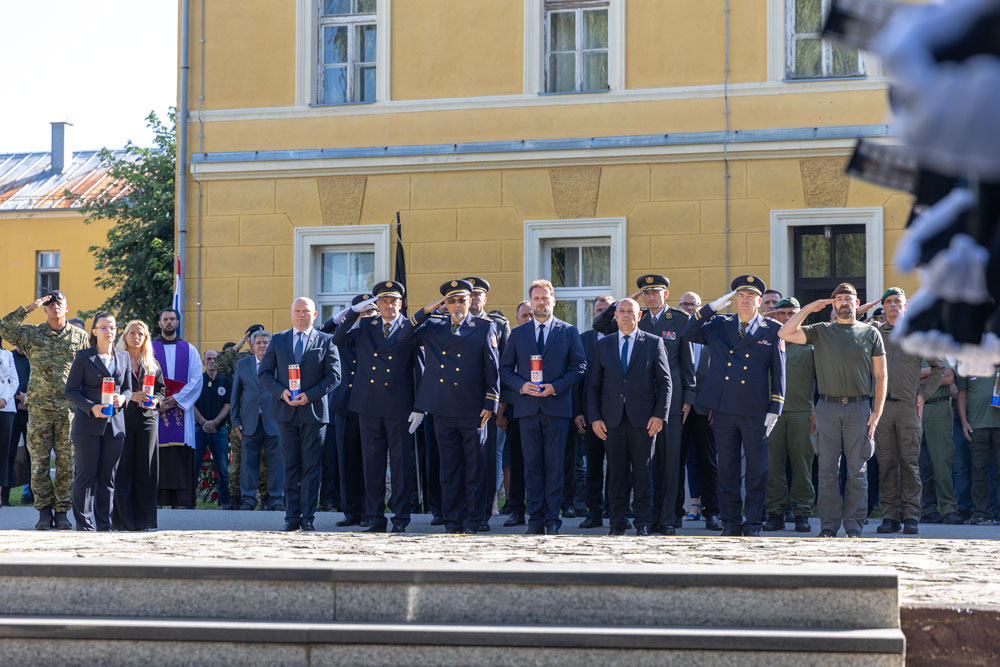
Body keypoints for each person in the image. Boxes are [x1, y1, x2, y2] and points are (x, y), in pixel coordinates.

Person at [777, 282, 886, 538]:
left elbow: (882, 375)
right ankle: (828, 526)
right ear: (833, 304)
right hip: (827, 407)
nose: (844, 303)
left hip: (859, 408)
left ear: (856, 304)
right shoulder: (821, 330)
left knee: (857, 471)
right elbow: (785, 332)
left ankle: (854, 527)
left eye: (849, 299)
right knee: (827, 471)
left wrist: (877, 412)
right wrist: (810, 308)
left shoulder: (870, 333)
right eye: (839, 299)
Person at [681, 275, 785, 537]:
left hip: (755, 409)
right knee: (727, 469)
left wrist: (775, 408)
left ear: (760, 301)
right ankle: (730, 522)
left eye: (751, 296)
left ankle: (753, 522)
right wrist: (711, 308)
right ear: (733, 300)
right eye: (740, 296)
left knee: (757, 470)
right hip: (723, 408)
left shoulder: (771, 329)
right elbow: (687, 332)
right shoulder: (719, 324)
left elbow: (779, 371)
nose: (745, 300)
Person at [593, 274, 695, 534]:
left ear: (665, 294)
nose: (650, 297)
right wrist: (627, 301)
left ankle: (667, 519)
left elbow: (686, 363)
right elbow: (600, 324)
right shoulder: (636, 317)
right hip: (634, 406)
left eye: (654, 293)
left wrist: (689, 397)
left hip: (670, 402)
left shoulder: (680, 319)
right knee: (643, 466)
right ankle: (645, 518)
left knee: (668, 463)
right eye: (646, 293)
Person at [399, 279, 500, 534]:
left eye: (461, 300)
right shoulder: (434, 326)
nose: (457, 305)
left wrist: (491, 402)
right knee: (449, 469)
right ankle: (452, 520)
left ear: (469, 301)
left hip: (473, 409)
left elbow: (492, 368)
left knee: (474, 469)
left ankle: (473, 519)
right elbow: (403, 336)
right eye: (451, 301)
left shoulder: (483, 327)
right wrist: (426, 311)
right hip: (443, 407)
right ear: (445, 303)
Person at [333, 281, 421, 533]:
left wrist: (420, 407)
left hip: (399, 407)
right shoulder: (366, 326)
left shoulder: (410, 327)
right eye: (383, 301)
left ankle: (401, 518)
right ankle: (375, 517)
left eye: (393, 301)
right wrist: (354, 312)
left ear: (401, 304)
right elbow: (339, 338)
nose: (389, 306)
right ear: (377, 305)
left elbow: (420, 368)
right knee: (372, 465)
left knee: (401, 465)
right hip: (368, 405)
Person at [499, 279, 586, 535]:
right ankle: (535, 519)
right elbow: (504, 369)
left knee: (555, 466)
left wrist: (556, 386)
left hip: (556, 408)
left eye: (545, 298)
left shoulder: (568, 331)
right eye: (536, 298)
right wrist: (521, 385)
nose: (541, 302)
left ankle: (552, 520)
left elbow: (580, 366)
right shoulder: (518, 333)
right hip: (527, 409)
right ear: (531, 301)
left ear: (553, 301)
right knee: (532, 466)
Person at [0, 290, 89, 529]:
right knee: (38, 463)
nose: (55, 307)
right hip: (39, 409)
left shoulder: (80, 337)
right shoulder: (33, 334)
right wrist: (30, 307)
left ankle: (61, 512)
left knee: (66, 464)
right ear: (45, 309)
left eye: (59, 303)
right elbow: (4, 328)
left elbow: (87, 372)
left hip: (68, 409)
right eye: (50, 304)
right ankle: (43, 511)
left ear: (66, 308)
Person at [586, 298, 672, 535]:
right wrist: (595, 418)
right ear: (615, 316)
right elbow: (593, 386)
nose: (625, 315)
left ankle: (643, 522)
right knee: (616, 474)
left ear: (639, 316)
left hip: (644, 420)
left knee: (643, 474)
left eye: (630, 311)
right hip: (611, 420)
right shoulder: (604, 345)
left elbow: (665, 383)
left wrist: (659, 415)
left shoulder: (653, 342)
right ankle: (617, 523)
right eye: (621, 311)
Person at [259, 297, 341, 532]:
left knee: (312, 467)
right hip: (285, 411)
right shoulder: (279, 339)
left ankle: (308, 517)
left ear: (314, 315)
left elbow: (334, 375)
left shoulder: (326, 340)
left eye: (306, 311)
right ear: (291, 313)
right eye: (297, 311)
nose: (301, 315)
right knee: (290, 465)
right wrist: (281, 391)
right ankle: (291, 517)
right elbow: (264, 374)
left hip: (313, 413)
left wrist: (310, 395)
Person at [870, 287, 946, 535]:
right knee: (886, 463)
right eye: (889, 302)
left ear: (905, 307)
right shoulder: (875, 334)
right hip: (882, 408)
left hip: (907, 408)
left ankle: (912, 515)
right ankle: (890, 516)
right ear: (883, 307)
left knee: (910, 464)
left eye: (897, 302)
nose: (893, 305)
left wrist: (923, 395)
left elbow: (939, 368)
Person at [64, 313, 132, 531]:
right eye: (104, 327)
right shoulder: (84, 356)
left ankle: (105, 525)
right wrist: (91, 407)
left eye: (112, 327)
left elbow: (128, 389)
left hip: (115, 425)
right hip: (87, 425)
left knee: (108, 478)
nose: (109, 331)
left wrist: (123, 399)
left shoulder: (123, 357)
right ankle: (84, 524)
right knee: (86, 476)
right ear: (94, 331)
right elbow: (70, 391)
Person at [320, 293, 376, 527]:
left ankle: (369, 511)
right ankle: (351, 511)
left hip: (370, 405)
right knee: (347, 461)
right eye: (363, 312)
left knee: (369, 462)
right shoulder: (342, 335)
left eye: (371, 312)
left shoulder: (378, 334)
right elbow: (321, 333)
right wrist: (340, 317)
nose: (367, 316)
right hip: (344, 404)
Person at [761, 298, 815, 533]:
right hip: (772, 413)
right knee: (773, 465)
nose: (786, 317)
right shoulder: (768, 342)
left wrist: (817, 409)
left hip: (802, 412)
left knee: (802, 465)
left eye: (792, 313)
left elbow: (822, 379)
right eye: (782, 313)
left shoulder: (810, 344)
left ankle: (802, 511)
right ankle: (775, 512)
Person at [465, 276, 512, 531]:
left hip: (489, 403)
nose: (473, 299)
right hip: (462, 401)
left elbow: (505, 365)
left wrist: (501, 403)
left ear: (485, 299)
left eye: (477, 295)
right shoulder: (454, 321)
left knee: (489, 456)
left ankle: (487, 506)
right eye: (469, 295)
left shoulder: (498, 324)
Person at [113, 320, 165, 531]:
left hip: (147, 419)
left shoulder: (151, 363)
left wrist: (156, 401)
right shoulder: (117, 360)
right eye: (132, 333)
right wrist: (130, 396)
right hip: (123, 418)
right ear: (125, 336)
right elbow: (109, 388)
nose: (136, 337)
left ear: (145, 338)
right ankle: (124, 520)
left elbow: (161, 390)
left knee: (146, 469)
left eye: (140, 334)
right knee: (124, 469)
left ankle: (144, 521)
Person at [675, 291, 721, 531]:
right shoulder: (676, 334)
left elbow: (721, 371)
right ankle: (674, 513)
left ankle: (712, 511)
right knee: (675, 461)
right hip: (679, 407)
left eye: (694, 304)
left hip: (706, 407)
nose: (690, 308)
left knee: (708, 462)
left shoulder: (712, 332)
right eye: (685, 304)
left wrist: (716, 403)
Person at [152, 308, 204, 508]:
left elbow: (196, 380)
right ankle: (157, 500)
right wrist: (157, 402)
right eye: (165, 319)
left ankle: (181, 501)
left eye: (172, 319)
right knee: (157, 455)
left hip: (181, 410)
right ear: (159, 323)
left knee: (179, 457)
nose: (169, 322)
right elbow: (144, 377)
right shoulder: (150, 349)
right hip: (156, 411)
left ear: (178, 323)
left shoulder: (189, 350)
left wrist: (175, 400)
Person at [573, 296, 614, 529]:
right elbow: (579, 377)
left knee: (619, 466)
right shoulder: (584, 338)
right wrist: (578, 411)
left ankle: (615, 509)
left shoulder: (621, 336)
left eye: (607, 310)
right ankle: (594, 512)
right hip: (591, 411)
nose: (602, 314)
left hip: (618, 412)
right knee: (594, 466)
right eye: (599, 310)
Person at [232, 328, 283, 511]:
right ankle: (248, 499)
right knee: (248, 462)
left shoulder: (279, 363)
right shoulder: (242, 364)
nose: (262, 346)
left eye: (265, 343)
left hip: (274, 419)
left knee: (276, 462)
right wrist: (235, 421)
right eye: (259, 343)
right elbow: (235, 395)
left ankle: (275, 499)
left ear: (270, 345)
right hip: (249, 421)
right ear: (252, 346)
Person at [215, 324, 263, 507]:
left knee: (265, 463)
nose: (258, 343)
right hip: (243, 419)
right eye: (253, 338)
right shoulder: (240, 359)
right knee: (238, 462)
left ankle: (267, 498)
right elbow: (219, 365)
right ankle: (236, 498)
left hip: (265, 419)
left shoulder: (271, 358)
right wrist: (239, 344)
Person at [500, 300, 533, 527]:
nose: (528, 319)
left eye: (531, 315)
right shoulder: (514, 337)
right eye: (524, 316)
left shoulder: (548, 335)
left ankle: (543, 509)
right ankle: (517, 508)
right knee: (517, 462)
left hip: (546, 407)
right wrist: (502, 410)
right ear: (517, 319)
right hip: (517, 408)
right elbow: (504, 372)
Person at [957, 367, 1000, 525]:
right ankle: (981, 513)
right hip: (976, 426)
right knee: (978, 471)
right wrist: (964, 423)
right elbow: (962, 395)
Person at [193, 349, 233, 509]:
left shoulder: (226, 380)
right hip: (199, 430)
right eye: (208, 358)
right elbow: (192, 404)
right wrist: (204, 423)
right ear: (204, 362)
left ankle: (225, 503)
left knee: (223, 469)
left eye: (214, 358)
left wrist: (215, 423)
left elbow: (228, 405)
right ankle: (190, 502)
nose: (211, 361)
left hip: (219, 430)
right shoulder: (197, 380)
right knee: (194, 467)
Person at [7, 347, 31, 506]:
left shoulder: (34, 356)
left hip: (31, 410)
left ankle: (33, 496)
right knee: (9, 454)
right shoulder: (9, 356)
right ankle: (4, 496)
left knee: (33, 455)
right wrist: (19, 396)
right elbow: (6, 379)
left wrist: (28, 399)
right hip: (13, 410)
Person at [0, 337, 19, 506]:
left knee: (3, 452)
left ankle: (1, 494)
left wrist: (4, 398)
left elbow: (14, 381)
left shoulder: (7, 355)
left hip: (6, 407)